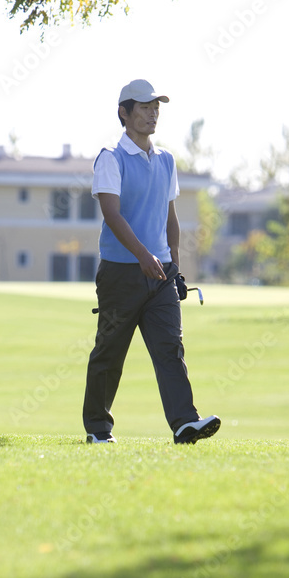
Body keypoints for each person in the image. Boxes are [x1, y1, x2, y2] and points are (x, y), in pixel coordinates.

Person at [82, 78, 221, 445]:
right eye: (144, 107)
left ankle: (184, 424)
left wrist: (174, 266)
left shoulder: (166, 160)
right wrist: (143, 255)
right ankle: (98, 429)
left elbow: (169, 218)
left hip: (160, 274)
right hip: (120, 273)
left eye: (156, 107)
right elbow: (112, 214)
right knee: (110, 352)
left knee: (170, 350)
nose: (152, 113)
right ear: (124, 113)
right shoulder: (110, 158)